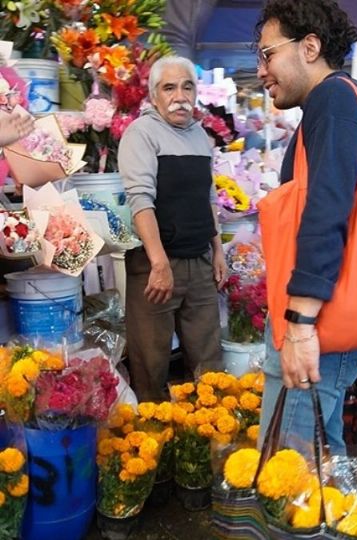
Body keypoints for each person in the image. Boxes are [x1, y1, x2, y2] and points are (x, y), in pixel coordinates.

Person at [254, 0, 357, 455]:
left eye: (267, 54)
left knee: (286, 467)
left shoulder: (333, 101)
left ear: (309, 46)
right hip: (328, 320)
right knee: (318, 454)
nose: (261, 70)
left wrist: (300, 326)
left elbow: (326, 212)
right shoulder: (336, 103)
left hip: (324, 324)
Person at [118, 56, 227, 402]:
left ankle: (207, 442)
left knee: (209, 366)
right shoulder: (141, 134)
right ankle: (153, 448)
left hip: (199, 263)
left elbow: (207, 195)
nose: (179, 95)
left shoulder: (199, 136)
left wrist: (218, 249)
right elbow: (140, 201)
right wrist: (159, 264)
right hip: (155, 268)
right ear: (153, 96)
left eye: (187, 86)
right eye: (169, 88)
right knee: (151, 366)